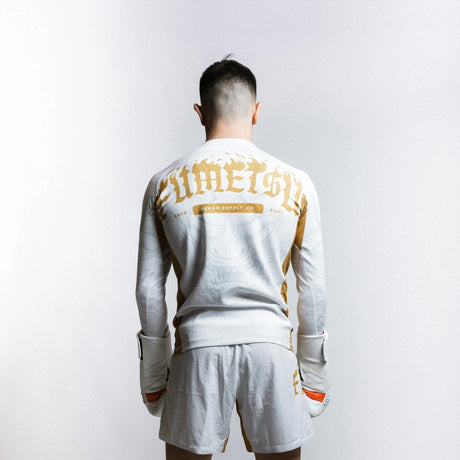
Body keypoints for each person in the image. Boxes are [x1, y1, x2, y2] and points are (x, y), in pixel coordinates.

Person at [135, 54, 331, 460]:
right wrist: (313, 374)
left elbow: (149, 290)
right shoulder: (297, 183)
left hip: (198, 349)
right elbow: (312, 288)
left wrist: (153, 377)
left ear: (200, 113)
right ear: (256, 112)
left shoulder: (163, 183)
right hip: (270, 348)